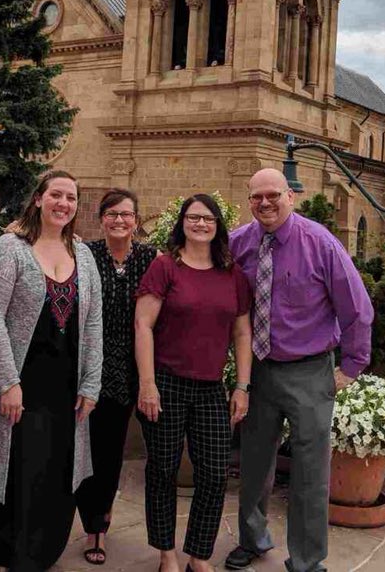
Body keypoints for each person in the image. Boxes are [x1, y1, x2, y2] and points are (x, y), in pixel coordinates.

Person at [224, 168, 373, 572]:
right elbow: (200, 273)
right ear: (249, 200)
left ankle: (306, 560)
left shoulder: (319, 243)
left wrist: (351, 367)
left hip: (309, 371)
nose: (265, 203)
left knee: (310, 471)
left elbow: (356, 308)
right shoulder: (238, 243)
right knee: (253, 463)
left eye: (273, 194)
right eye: (257, 197)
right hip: (258, 371)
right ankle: (254, 540)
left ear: (290, 196)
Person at [0, 169, 103, 572]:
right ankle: (5, 553)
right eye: (56, 195)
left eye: (71, 198)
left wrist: (91, 383)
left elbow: (93, 322)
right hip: (21, 383)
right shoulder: (12, 248)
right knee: (16, 469)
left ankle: (40, 553)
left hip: (66, 386)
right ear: (39, 199)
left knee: (55, 469)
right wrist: (8, 382)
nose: (64, 204)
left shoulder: (83, 254)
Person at [134, 193, 252, 572]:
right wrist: (147, 384)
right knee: (163, 471)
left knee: (215, 475)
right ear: (182, 223)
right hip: (166, 385)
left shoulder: (232, 276)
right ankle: (167, 555)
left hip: (211, 389)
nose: (200, 224)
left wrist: (242, 386)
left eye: (208, 219)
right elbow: (143, 325)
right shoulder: (165, 268)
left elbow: (242, 335)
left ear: (218, 226)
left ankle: (198, 556)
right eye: (193, 218)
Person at [75, 189, 158, 565]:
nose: (119, 220)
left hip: (132, 370)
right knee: (89, 452)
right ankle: (88, 522)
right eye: (112, 213)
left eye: (126, 214)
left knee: (114, 455)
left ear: (136, 220)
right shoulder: (85, 254)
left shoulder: (150, 258)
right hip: (90, 368)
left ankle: (103, 527)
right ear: (101, 218)